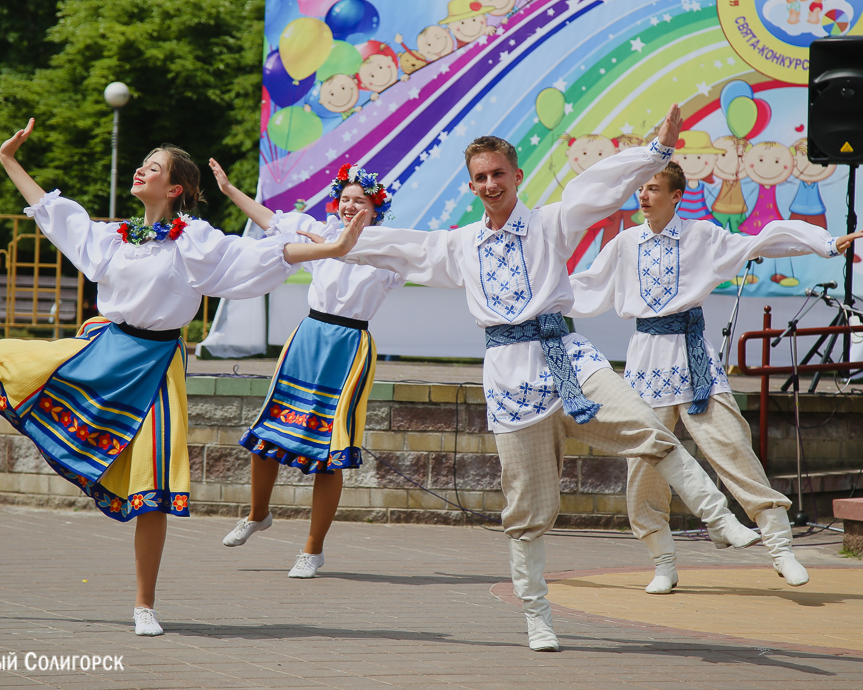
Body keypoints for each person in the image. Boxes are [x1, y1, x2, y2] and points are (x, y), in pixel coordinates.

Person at [0, 118, 368, 637]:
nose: (140, 171)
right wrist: (9, 160)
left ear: (175, 187)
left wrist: (333, 249)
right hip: (107, 344)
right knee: (13, 360)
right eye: (141, 164)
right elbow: (56, 216)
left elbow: (262, 253)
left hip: (156, 365)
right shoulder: (118, 235)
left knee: (152, 485)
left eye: (152, 167)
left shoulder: (193, 241)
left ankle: (144, 606)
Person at [337, 105, 761, 652]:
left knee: (644, 428)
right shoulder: (463, 244)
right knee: (528, 508)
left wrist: (655, 152)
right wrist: (302, 233)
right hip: (511, 381)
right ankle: (537, 615)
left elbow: (598, 189)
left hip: (568, 358)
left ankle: (718, 518)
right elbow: (396, 247)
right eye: (481, 177)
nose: (490, 184)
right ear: (472, 185)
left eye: (498, 174)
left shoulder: (548, 223)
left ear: (517, 177)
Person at [567, 161, 863, 594]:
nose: (644, 196)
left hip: (691, 356)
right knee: (644, 464)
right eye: (641, 189)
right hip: (646, 359)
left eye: (653, 188)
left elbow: (762, 239)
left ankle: (779, 545)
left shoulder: (701, 236)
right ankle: (662, 560)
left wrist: (825, 243)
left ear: (675, 195)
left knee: (730, 444)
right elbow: (586, 285)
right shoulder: (625, 243)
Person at [209, 159, 403, 578]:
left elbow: (441, 255)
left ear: (375, 207)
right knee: (269, 432)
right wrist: (228, 190)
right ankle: (257, 514)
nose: (351, 206)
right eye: (346, 199)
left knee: (330, 450)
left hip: (349, 346)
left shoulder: (388, 248)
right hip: (309, 338)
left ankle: (312, 550)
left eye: (360, 200)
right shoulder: (323, 235)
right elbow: (271, 221)